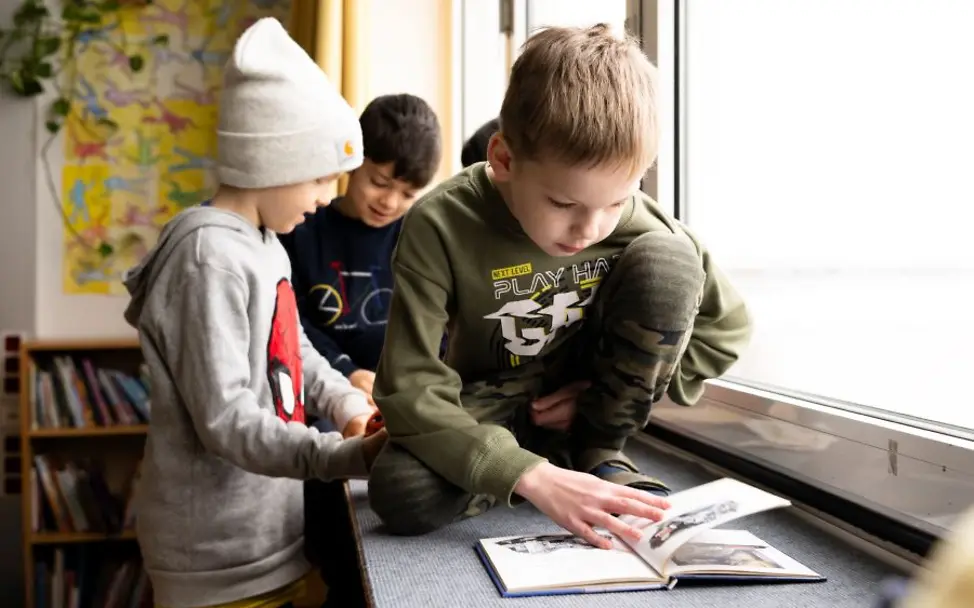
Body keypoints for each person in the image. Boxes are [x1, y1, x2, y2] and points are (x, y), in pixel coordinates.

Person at [367, 23, 752, 550]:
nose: (591, 229)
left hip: (592, 405)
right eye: (564, 205)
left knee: (670, 262)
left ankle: (598, 450)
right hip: (495, 402)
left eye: (616, 202)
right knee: (401, 492)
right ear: (503, 160)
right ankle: (547, 463)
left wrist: (606, 396)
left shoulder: (640, 223)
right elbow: (407, 386)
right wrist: (525, 475)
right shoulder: (439, 223)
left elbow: (726, 328)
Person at [121, 18, 386, 608]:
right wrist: (340, 457)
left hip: (270, 538)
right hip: (215, 558)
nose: (326, 197)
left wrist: (346, 405)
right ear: (273, 161)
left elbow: (293, 352)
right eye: (321, 177)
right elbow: (227, 419)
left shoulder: (266, 247)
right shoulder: (208, 259)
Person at [280, 93, 442, 410]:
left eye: (408, 193)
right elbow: (292, 321)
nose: (390, 202)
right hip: (320, 389)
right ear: (352, 164)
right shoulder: (301, 228)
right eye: (379, 182)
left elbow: (438, 325)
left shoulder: (423, 238)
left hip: (404, 394)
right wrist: (347, 372)